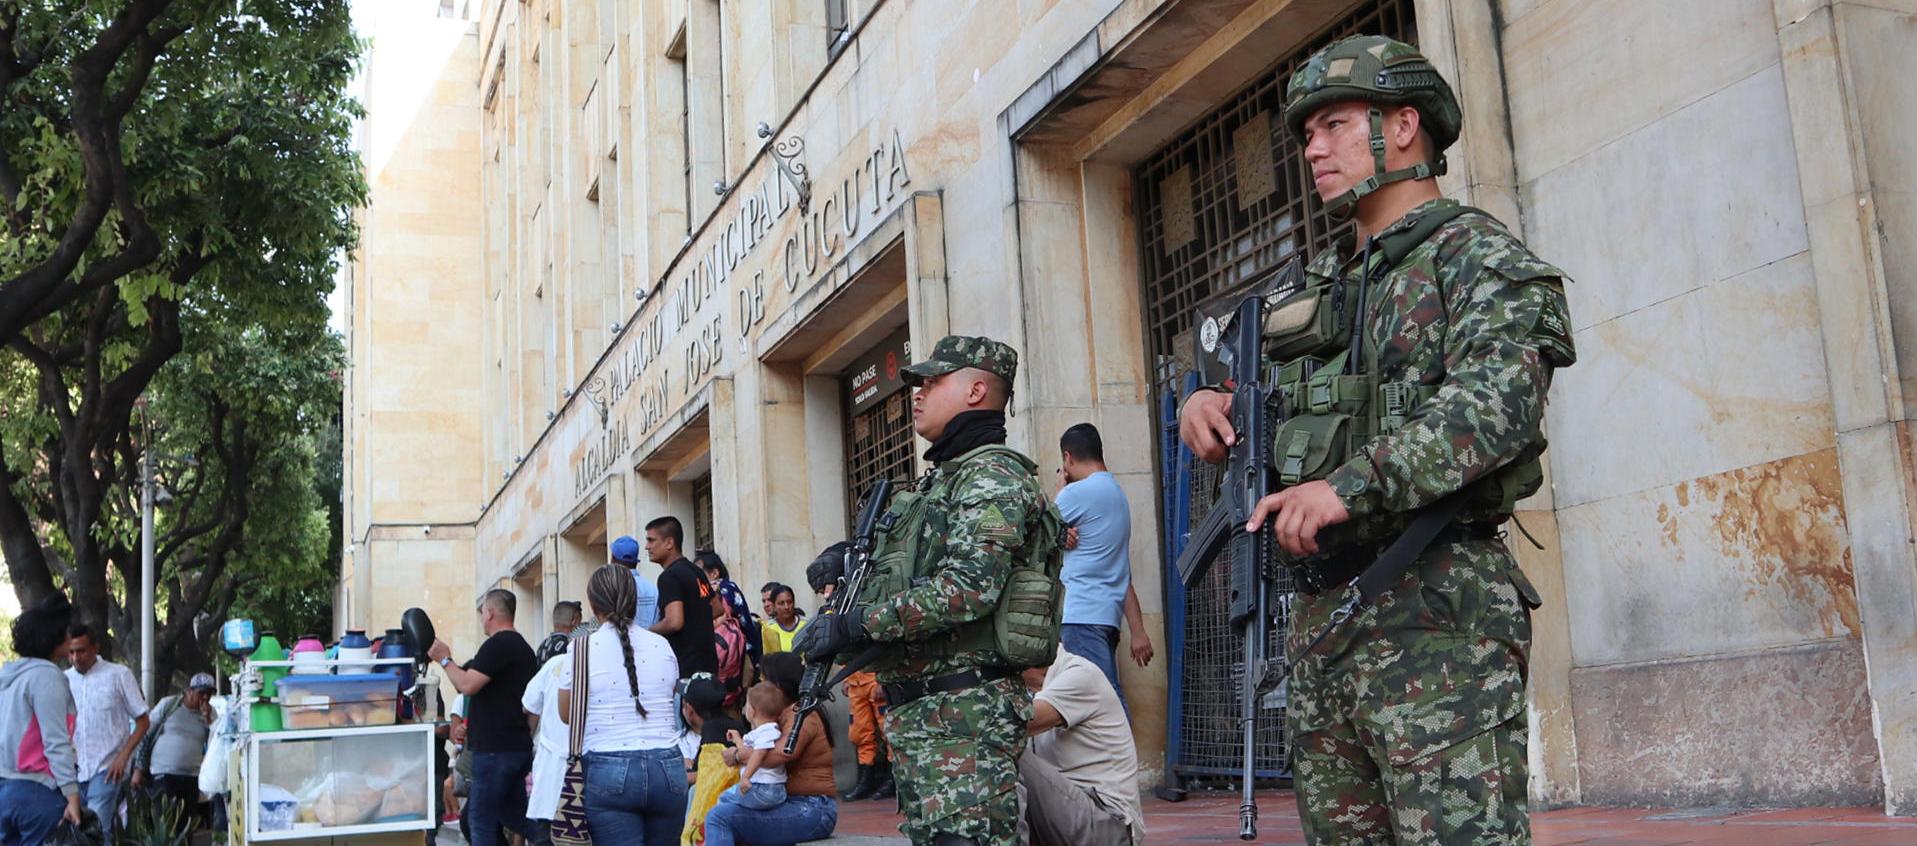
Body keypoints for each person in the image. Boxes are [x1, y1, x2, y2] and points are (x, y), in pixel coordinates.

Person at [1179, 35, 1574, 844]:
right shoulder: (1315, 288)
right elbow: (1274, 402)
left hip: (1437, 617)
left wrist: (1346, 486)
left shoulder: (1473, 254)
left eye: (1331, 125)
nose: (1311, 149)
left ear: (1401, 126)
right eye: (1306, 134)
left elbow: (1496, 407)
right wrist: (1208, 405)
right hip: (1323, 623)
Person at [794, 334, 1062, 846]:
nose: (917, 394)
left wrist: (857, 624)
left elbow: (968, 588)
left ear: (976, 391)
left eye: (933, 382)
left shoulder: (991, 478)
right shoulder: (940, 483)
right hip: (926, 716)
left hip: (964, 715)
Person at [559, 564, 685, 844]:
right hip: (668, 767)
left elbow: (567, 714)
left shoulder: (580, 649)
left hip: (608, 766)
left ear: (593, 604)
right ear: (635, 600)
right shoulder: (662, 645)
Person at [428, 589, 540, 846]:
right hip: (513, 748)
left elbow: (466, 685)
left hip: (495, 751)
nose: (481, 619)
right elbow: (467, 683)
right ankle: (554, 840)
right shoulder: (523, 648)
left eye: (482, 612)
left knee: (479, 821)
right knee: (513, 816)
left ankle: (554, 839)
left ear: (489, 612)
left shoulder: (498, 645)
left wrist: (444, 659)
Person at [1053, 423, 1154, 706]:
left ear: (1068, 457)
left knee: (1103, 702)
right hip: (1106, 618)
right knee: (1091, 702)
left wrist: (1059, 489)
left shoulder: (1077, 493)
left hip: (1080, 616)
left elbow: (1037, 529)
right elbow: (1122, 574)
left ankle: (1123, 741)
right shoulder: (1116, 494)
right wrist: (1137, 631)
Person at [1017, 649, 1144, 846]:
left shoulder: (1080, 675)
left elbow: (1020, 723)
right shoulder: (1030, 689)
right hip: (1070, 817)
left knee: (1002, 749)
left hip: (1109, 826)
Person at [700, 675, 838, 846]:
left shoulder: (801, 715)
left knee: (719, 816)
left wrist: (738, 756)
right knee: (726, 813)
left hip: (812, 808)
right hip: (799, 804)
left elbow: (780, 754)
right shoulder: (786, 715)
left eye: (764, 679)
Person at [802, 544, 894, 802]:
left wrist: (882, 679)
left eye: (825, 587)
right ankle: (866, 777)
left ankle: (893, 778)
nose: (825, 594)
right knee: (860, 732)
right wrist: (845, 674)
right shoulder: (843, 604)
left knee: (887, 729)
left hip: (875, 675)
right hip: (856, 679)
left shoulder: (866, 596)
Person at [0, 595, 83, 843]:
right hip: (37, 794)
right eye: (65, 632)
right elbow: (55, 742)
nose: (69, 637)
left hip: (5, 790)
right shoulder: (47, 677)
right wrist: (72, 796)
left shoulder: (9, 679)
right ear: (53, 638)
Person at [64, 623, 149, 840]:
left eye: (81, 651)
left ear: (96, 648)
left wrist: (123, 757)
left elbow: (143, 721)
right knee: (76, 834)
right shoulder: (63, 680)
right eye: (71, 652)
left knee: (97, 831)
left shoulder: (118, 675)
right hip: (72, 772)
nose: (75, 658)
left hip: (107, 768)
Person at [131, 672, 217, 837]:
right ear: (189, 691)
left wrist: (208, 721)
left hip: (191, 777)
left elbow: (215, 745)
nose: (205, 698)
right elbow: (146, 736)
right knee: (164, 825)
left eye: (209, 694)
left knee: (185, 827)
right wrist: (138, 769)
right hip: (163, 773)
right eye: (201, 693)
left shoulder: (211, 714)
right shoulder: (169, 705)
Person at [646, 516, 718, 679]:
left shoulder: (669, 577)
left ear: (669, 543)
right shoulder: (696, 571)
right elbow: (716, 608)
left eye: (651, 540)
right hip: (709, 667)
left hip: (684, 670)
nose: (647, 546)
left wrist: (647, 631)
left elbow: (674, 622)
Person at [520, 631, 571, 846]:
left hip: (550, 774)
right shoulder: (598, 664)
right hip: (584, 776)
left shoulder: (553, 665)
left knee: (545, 836)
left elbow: (528, 705)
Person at [721, 683, 789, 811]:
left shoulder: (767, 731)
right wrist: (737, 739)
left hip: (764, 789)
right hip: (769, 790)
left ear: (751, 711)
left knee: (725, 799)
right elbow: (747, 752)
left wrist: (745, 777)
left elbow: (759, 753)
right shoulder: (764, 731)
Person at [700, 551, 763, 666]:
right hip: (730, 649)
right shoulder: (721, 588)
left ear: (714, 573)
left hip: (731, 649)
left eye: (699, 572)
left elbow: (724, 617)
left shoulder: (723, 590)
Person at [612, 535, 663, 629]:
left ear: (613, 559)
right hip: (650, 637)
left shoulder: (611, 588)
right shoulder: (652, 589)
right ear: (636, 561)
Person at [757, 585, 805, 655]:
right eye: (781, 603)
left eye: (789, 602)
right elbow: (768, 657)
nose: (786, 607)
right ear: (774, 606)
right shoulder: (768, 628)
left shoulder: (806, 624)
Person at [535, 601, 583, 666]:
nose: (581, 627)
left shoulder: (543, 644)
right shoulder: (569, 645)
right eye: (580, 623)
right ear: (574, 621)